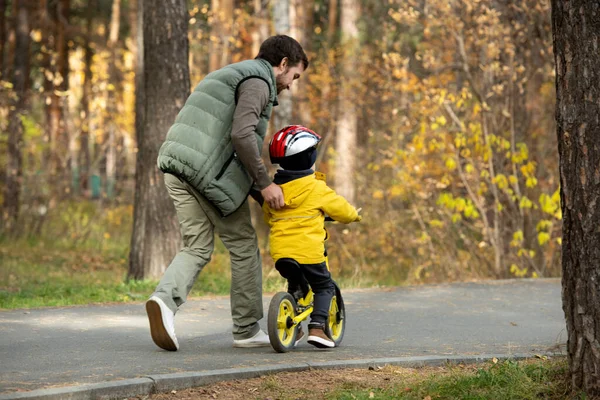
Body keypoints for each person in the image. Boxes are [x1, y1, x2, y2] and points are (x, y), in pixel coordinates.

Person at [146, 35, 309, 351]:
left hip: (176, 166)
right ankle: (247, 329)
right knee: (244, 244)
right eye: (294, 77)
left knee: (196, 246)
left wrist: (261, 196)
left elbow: (224, 143)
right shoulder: (259, 82)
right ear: (284, 64)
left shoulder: (230, 73)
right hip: (206, 174)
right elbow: (241, 135)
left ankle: (163, 302)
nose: (291, 85)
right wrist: (264, 183)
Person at [263, 125, 361, 348]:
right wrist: (355, 216)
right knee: (324, 286)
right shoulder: (316, 188)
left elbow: (268, 215)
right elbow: (342, 210)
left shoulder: (274, 190)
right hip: (309, 252)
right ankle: (317, 327)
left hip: (280, 253)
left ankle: (293, 327)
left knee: (296, 285)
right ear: (309, 158)